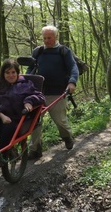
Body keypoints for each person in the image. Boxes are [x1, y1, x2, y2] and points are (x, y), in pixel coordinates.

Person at [0, 59, 45, 166]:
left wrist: (29, 101)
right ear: (3, 73)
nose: (11, 75)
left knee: (9, 127)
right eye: (7, 73)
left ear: (17, 73)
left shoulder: (25, 84)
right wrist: (1, 115)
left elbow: (40, 96)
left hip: (17, 118)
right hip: (0, 116)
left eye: (13, 72)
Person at [26, 25, 79, 159]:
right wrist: (25, 84)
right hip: (39, 93)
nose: (46, 40)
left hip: (59, 92)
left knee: (60, 121)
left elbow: (73, 67)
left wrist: (72, 82)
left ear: (56, 37)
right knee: (35, 121)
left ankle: (67, 137)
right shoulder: (37, 52)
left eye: (49, 38)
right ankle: (35, 148)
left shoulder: (64, 51)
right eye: (44, 38)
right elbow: (30, 70)